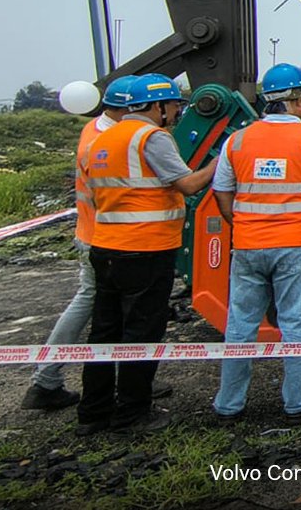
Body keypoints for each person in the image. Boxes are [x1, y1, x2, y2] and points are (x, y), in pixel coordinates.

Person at [76, 75, 217, 435]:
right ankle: (133, 414)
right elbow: (188, 184)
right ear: (157, 107)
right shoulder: (152, 138)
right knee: (141, 331)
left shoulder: (102, 139)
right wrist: (220, 162)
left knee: (104, 333)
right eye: (173, 105)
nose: (175, 112)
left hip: (105, 246)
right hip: (146, 248)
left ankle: (93, 412)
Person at [212, 62, 301, 420]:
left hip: (247, 247)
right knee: (298, 322)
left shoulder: (237, 140)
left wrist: (242, 224)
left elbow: (222, 192)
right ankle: (297, 403)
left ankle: (229, 405)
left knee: (240, 325)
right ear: (296, 100)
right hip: (295, 246)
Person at [21, 74, 136, 411]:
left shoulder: (96, 131)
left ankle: (50, 379)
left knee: (101, 306)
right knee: (94, 305)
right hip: (106, 239)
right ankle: (46, 379)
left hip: (95, 235)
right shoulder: (109, 141)